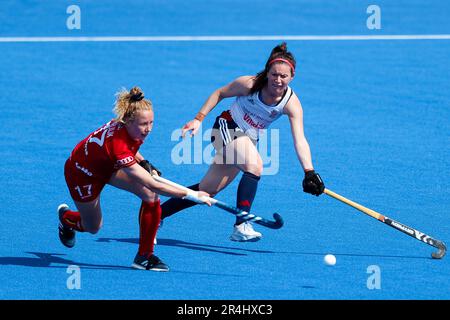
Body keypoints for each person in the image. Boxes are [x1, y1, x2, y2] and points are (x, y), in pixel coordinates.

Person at [160, 42, 325, 242]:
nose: (278, 80)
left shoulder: (292, 104)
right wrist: (198, 119)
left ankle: (157, 214)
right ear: (267, 72)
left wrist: (309, 171)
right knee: (254, 165)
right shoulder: (249, 84)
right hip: (225, 127)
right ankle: (241, 225)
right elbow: (220, 93)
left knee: (206, 191)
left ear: (292, 77)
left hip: (246, 139)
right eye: (274, 74)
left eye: (284, 76)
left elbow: (300, 140)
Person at [58, 87, 211, 271]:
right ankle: (66, 218)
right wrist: (191, 195)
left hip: (109, 166)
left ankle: (144, 257)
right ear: (128, 122)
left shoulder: (130, 128)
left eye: (151, 123)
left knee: (150, 195)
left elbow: (134, 152)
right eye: (143, 124)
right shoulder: (118, 145)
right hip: (82, 174)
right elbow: (152, 182)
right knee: (93, 226)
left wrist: (145, 162)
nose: (148, 129)